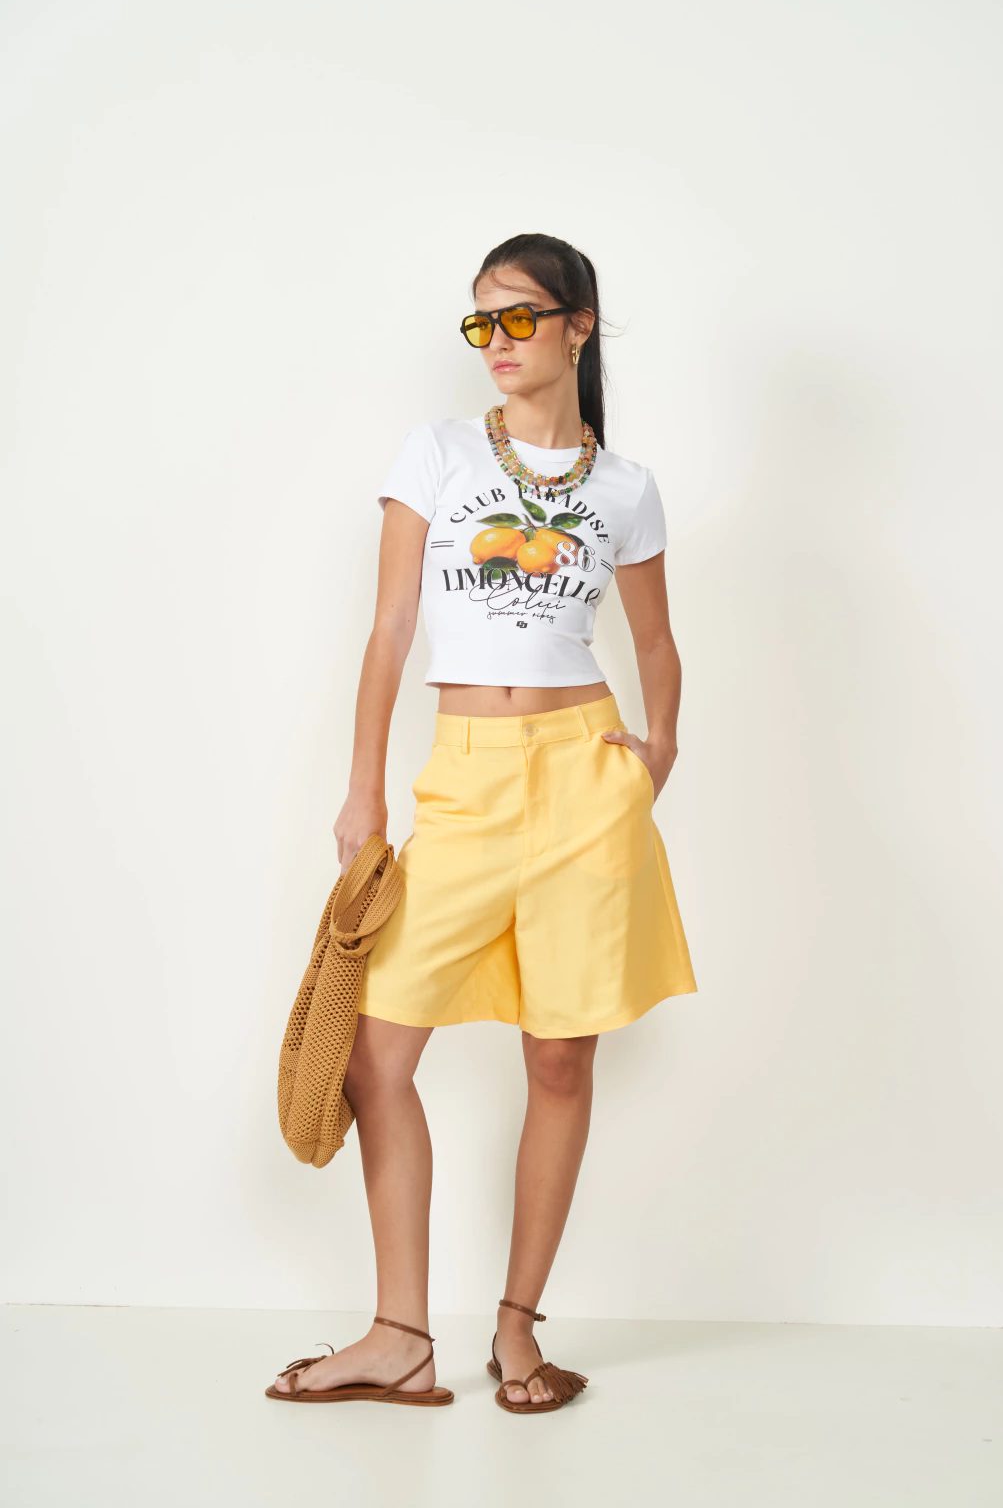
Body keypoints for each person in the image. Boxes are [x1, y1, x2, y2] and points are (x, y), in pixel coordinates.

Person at [267, 232, 697, 1414]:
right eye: (481, 322)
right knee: (375, 1055)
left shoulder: (626, 488)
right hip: (461, 780)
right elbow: (389, 630)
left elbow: (655, 640)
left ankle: (516, 1332)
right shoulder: (439, 453)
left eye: (519, 318)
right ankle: (400, 1336)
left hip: (585, 779)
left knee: (559, 1055)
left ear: (578, 325)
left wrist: (656, 753)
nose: (496, 343)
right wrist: (364, 787)